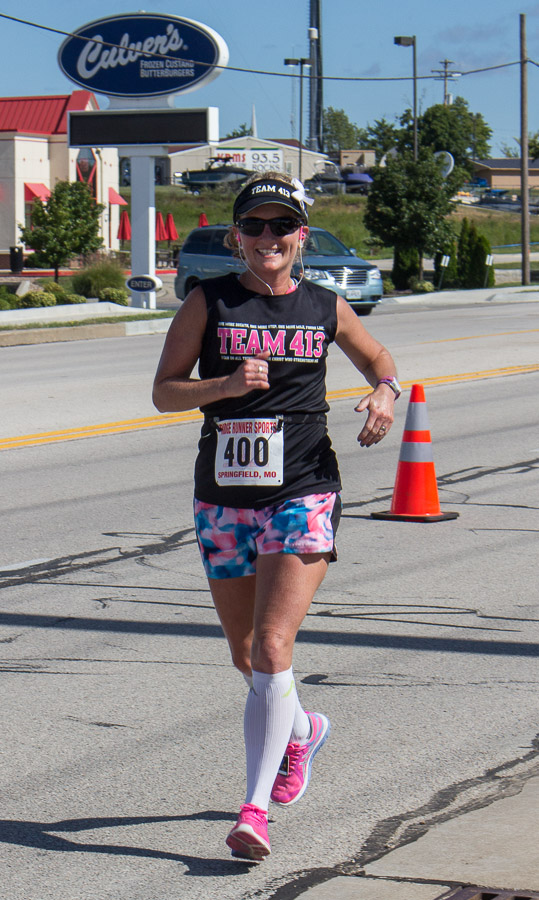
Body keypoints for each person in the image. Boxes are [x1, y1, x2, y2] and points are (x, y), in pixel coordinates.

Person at [153, 172, 400, 862]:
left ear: (300, 236)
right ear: (237, 236)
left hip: (303, 489)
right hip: (223, 496)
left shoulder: (324, 305)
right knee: (246, 655)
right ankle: (302, 730)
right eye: (255, 226)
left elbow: (377, 357)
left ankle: (253, 811)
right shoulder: (209, 302)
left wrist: (385, 391)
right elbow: (164, 392)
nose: (268, 237)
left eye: (281, 226)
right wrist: (225, 385)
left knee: (270, 648)